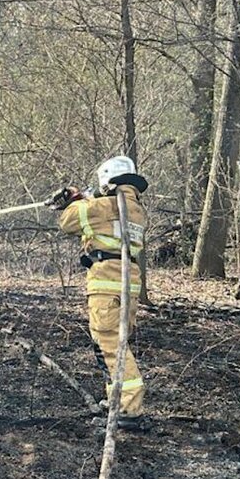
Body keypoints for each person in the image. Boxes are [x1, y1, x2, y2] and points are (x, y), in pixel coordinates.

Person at [51, 155, 149, 429]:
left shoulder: (104, 206)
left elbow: (68, 221)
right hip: (127, 283)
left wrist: (74, 200)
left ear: (107, 182)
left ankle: (129, 408)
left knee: (110, 343)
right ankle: (117, 399)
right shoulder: (135, 209)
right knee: (113, 343)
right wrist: (86, 197)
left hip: (107, 283)